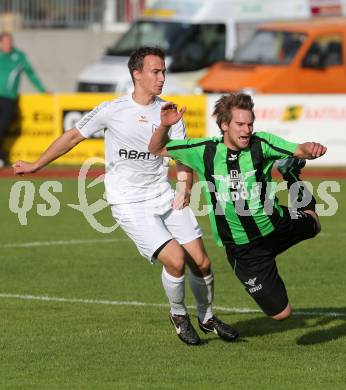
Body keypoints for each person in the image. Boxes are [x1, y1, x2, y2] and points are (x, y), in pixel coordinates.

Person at [13, 47, 238, 345]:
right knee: (175, 260)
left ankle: (207, 317)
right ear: (137, 74)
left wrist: (184, 186)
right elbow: (71, 137)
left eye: (163, 72)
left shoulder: (170, 112)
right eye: (155, 72)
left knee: (203, 262)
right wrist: (35, 165)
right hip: (129, 202)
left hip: (163, 195)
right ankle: (178, 315)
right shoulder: (112, 110)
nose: (161, 78)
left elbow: (184, 156)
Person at [148, 93, 327, 320]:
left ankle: (290, 172)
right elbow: (156, 148)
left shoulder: (261, 143)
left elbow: (300, 149)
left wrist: (311, 149)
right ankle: (289, 172)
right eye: (240, 124)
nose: (246, 130)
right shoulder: (204, 150)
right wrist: (165, 126)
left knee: (315, 223)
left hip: (276, 226)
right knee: (281, 314)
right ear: (224, 125)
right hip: (244, 250)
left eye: (250, 124)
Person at [0, 32, 47, 167]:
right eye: (5, 42)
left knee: (2, 128)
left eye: (10, 41)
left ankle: (2, 157)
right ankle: (2, 158)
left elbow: (31, 74)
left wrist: (42, 90)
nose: (8, 44)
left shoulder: (19, 57)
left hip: (9, 100)